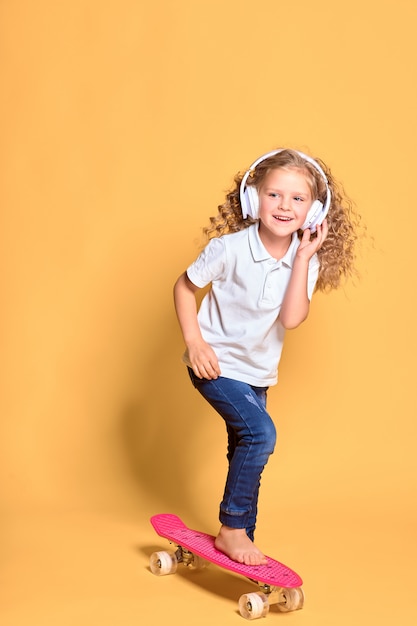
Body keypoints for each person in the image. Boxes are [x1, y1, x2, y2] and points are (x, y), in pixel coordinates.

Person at [173, 148, 361, 566]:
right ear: (252, 198)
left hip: (258, 374)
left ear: (314, 210)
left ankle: (242, 538)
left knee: (244, 445)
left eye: (297, 199)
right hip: (216, 366)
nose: (284, 206)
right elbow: (184, 288)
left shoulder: (303, 259)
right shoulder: (229, 248)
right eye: (274, 195)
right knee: (262, 435)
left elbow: (292, 318)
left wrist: (304, 258)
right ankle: (233, 529)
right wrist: (196, 342)